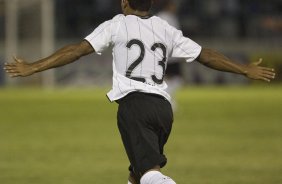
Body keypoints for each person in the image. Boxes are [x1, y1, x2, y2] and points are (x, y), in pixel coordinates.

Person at [3, 0, 276, 183]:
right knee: (137, 175)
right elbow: (205, 55)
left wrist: (33, 67)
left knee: (149, 175)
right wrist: (243, 70)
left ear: (124, 3)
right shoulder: (165, 29)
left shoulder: (117, 24)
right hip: (163, 110)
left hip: (135, 106)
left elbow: (75, 51)